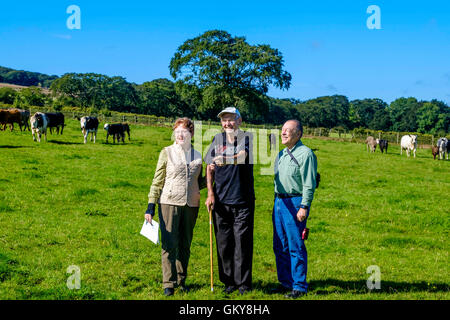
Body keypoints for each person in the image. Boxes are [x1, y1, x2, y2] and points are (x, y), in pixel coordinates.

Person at [145, 117, 205, 296]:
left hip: (192, 204)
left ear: (191, 134)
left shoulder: (198, 155)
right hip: (169, 202)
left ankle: (181, 279)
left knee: (185, 244)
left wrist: (213, 174)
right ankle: (168, 283)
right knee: (169, 244)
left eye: (184, 131)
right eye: (177, 131)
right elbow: (158, 180)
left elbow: (199, 182)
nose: (181, 135)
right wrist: (150, 206)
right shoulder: (166, 152)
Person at [205, 107, 255, 295]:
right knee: (224, 243)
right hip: (221, 200)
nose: (227, 123)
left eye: (231, 119)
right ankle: (228, 282)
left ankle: (243, 284)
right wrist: (210, 193)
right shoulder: (216, 140)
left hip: (243, 200)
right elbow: (209, 168)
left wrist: (225, 159)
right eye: (224, 120)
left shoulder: (247, 138)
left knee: (242, 243)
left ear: (240, 121)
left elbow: (242, 157)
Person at [272, 119, 317, 298]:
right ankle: (286, 282)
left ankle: (299, 286)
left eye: (288, 130)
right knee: (280, 245)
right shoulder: (282, 153)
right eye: (282, 129)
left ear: (298, 134)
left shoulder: (306, 154)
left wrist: (304, 206)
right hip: (279, 202)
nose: (283, 133)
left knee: (295, 245)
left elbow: (309, 183)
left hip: (296, 201)